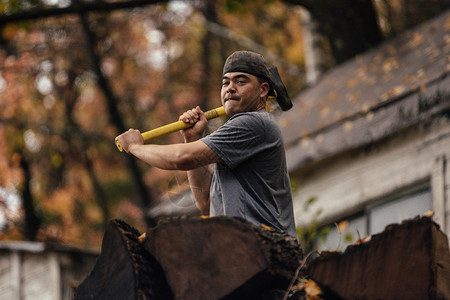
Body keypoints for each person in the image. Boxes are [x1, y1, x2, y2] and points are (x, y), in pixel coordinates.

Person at [115, 50, 296, 237]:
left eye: (241, 82)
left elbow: (180, 158)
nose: (230, 88)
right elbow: (205, 201)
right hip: (239, 249)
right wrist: (192, 138)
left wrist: (135, 147)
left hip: (266, 251)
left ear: (263, 90)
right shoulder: (236, 140)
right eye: (226, 83)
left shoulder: (254, 123)